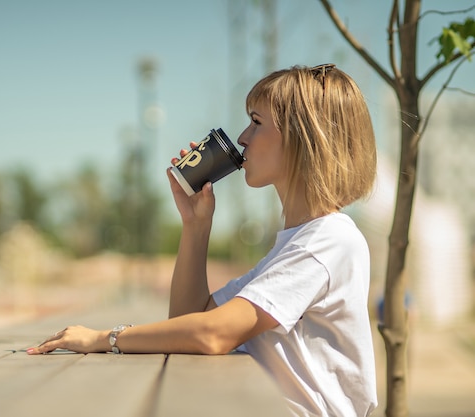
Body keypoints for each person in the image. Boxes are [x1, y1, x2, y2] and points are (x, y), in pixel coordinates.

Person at [27, 64, 378, 417]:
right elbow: (188, 319)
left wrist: (105, 339)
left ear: (305, 138)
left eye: (256, 122)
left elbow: (213, 334)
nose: (242, 137)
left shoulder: (328, 241)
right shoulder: (293, 248)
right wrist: (196, 225)